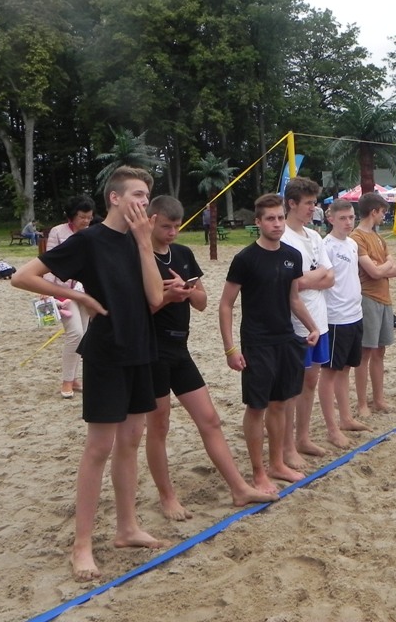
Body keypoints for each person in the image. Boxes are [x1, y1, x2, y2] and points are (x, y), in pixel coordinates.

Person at [11, 166, 167, 582]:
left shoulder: (141, 239)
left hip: (140, 348)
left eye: (146, 196)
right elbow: (23, 277)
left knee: (131, 441)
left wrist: (144, 244)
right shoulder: (89, 240)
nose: (143, 202)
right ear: (114, 198)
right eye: (136, 194)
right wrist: (76, 295)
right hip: (106, 351)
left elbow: (155, 297)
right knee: (99, 447)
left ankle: (127, 527)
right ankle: (81, 544)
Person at [143, 196, 276, 518]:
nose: (173, 232)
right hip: (151, 351)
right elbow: (138, 310)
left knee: (210, 420)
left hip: (180, 349)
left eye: (177, 226)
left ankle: (239, 488)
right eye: (167, 226)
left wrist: (186, 292)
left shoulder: (183, 254)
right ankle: (167, 497)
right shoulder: (141, 257)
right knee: (159, 426)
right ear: (151, 221)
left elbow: (202, 302)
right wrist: (167, 296)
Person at [218, 194, 319, 492]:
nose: (276, 224)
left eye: (279, 218)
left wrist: (313, 327)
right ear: (258, 222)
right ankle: (258, 472)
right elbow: (226, 305)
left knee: (280, 404)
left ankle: (277, 463)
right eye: (270, 219)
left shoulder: (292, 255)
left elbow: (294, 299)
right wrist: (230, 349)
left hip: (285, 339)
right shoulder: (245, 259)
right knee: (256, 407)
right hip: (257, 342)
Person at [279, 177, 334, 468]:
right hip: (296, 321)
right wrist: (312, 278)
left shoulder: (314, 236)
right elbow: (291, 285)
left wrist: (305, 280)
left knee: (311, 381)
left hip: (319, 320)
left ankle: (303, 437)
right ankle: (286, 445)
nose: (314, 208)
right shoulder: (283, 237)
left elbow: (330, 277)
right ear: (292, 203)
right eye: (309, 203)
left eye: (314, 202)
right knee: (292, 386)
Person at [320, 200, 371, 448]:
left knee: (346, 369)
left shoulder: (352, 243)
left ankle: (346, 418)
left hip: (354, 314)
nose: (348, 222)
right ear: (330, 218)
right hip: (335, 318)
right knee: (329, 372)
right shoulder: (326, 246)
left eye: (351, 217)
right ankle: (332, 428)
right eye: (343, 218)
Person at [350, 192, 396, 416]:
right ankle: (362, 403)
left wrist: (383, 267)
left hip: (384, 298)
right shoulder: (357, 237)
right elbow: (374, 272)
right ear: (373, 211)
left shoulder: (378, 238)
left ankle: (379, 399)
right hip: (368, 298)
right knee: (365, 353)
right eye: (382, 213)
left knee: (380, 351)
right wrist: (385, 265)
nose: (383, 217)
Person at [44, 196, 95, 399]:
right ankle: (66, 380)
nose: (86, 221)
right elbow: (48, 262)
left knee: (84, 335)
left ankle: (73, 378)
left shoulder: (93, 233)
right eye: (82, 217)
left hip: (86, 291)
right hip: (63, 291)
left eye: (89, 217)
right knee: (75, 333)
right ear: (71, 216)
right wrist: (45, 289)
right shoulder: (58, 232)